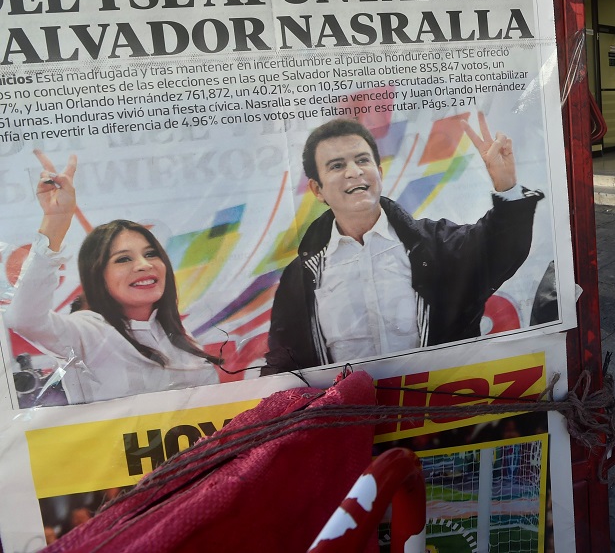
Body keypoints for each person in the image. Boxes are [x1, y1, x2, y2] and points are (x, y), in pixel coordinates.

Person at [261, 116, 543, 374]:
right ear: (317, 189)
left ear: (379, 173)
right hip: (352, 420)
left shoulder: (435, 244)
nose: (354, 172)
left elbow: (501, 250)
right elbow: (283, 363)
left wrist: (507, 190)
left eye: (362, 160)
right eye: (337, 165)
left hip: (438, 414)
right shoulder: (300, 276)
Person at [5, 151, 221, 404]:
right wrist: (56, 221)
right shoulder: (88, 331)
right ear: (98, 275)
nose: (143, 265)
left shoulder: (184, 340)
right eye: (123, 259)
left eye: (151, 254)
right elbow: (23, 318)